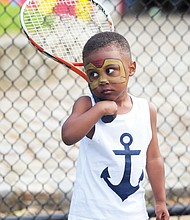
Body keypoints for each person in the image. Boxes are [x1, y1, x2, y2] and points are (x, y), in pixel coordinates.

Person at [62, 31, 170, 220]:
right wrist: (100, 109)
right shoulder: (87, 106)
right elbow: (68, 135)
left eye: (110, 70)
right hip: (90, 215)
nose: (102, 80)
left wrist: (160, 200)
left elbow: (153, 159)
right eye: (94, 74)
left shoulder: (146, 110)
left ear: (131, 68)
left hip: (134, 214)